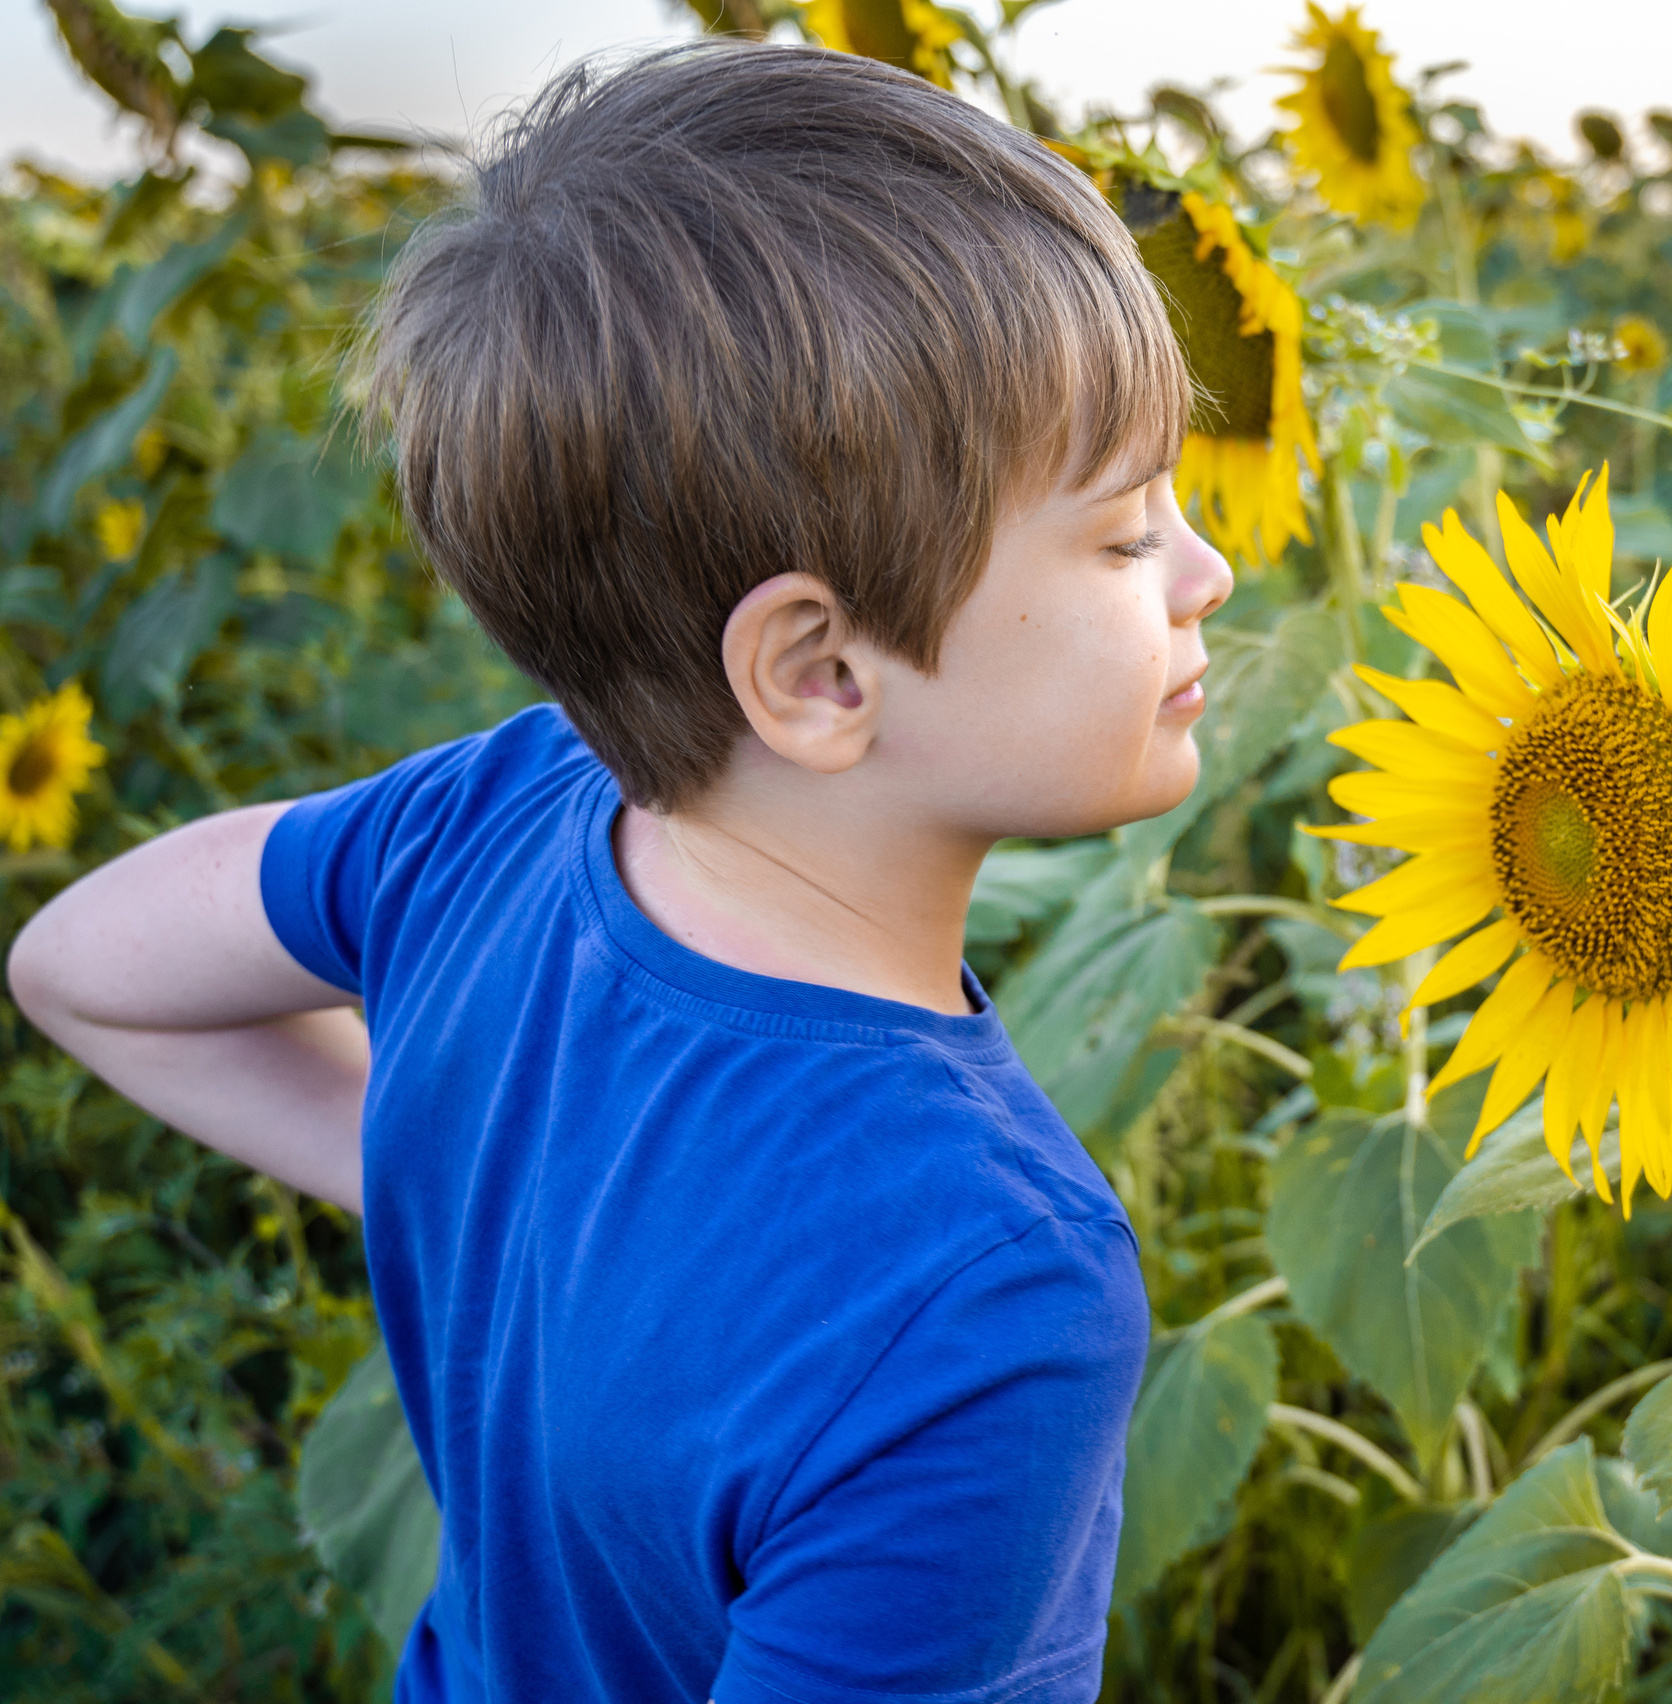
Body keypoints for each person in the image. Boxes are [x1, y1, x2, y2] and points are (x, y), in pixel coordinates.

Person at [7, 41, 1230, 1704]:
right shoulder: (984, 1280)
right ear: (817, 671)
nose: (1207, 573)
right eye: (1125, 531)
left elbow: (80, 966)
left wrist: (472, 1170)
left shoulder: (493, 819)